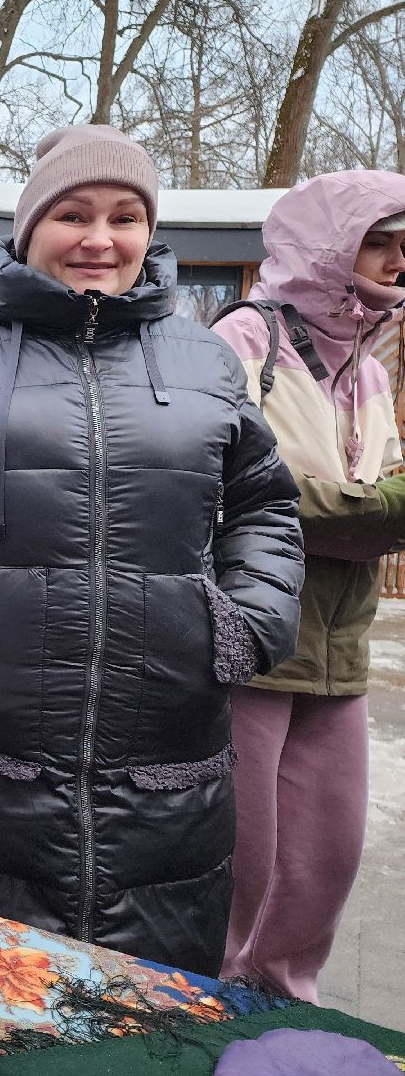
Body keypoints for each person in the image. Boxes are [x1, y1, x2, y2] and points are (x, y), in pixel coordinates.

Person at [0, 125, 304, 975]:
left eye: (126, 216)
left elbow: (264, 507)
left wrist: (246, 619)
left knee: (143, 1013)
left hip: (164, 763)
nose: (100, 237)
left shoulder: (205, 361)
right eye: (73, 214)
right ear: (29, 228)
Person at [211, 171, 405, 1001]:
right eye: (380, 240)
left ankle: (283, 1005)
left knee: (327, 857)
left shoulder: (370, 369)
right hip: (253, 636)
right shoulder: (242, 341)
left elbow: (375, 491)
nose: (399, 261)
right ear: (331, 245)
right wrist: (368, 511)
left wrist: (367, 508)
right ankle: (203, 1003)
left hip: (339, 642)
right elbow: (225, 485)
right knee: (238, 862)